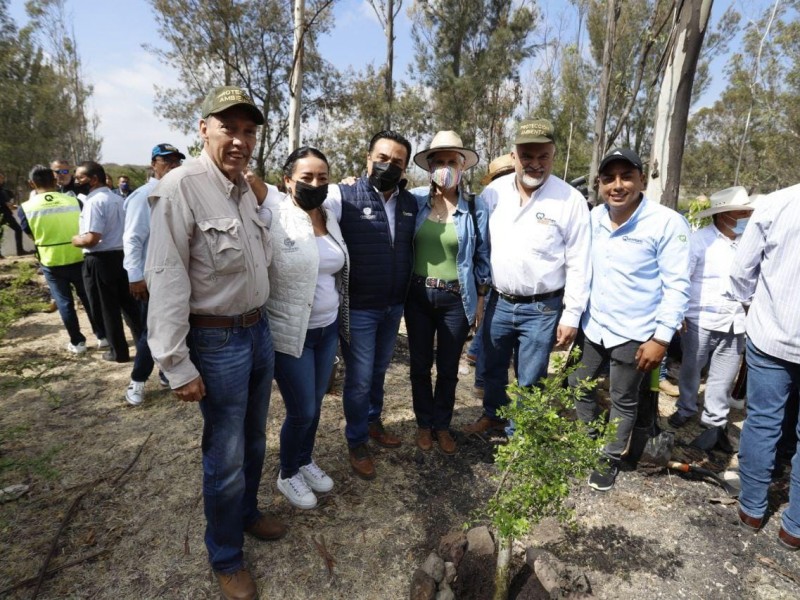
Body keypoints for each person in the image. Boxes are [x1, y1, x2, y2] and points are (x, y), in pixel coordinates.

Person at [145, 86, 285, 599]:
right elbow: (165, 275)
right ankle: (226, 556)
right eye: (229, 128)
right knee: (224, 455)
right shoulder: (180, 187)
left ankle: (246, 514)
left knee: (252, 440)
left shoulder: (244, 188)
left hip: (258, 330)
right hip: (218, 341)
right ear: (203, 128)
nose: (240, 140)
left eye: (248, 131)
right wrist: (175, 363)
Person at [570, 148, 690, 492]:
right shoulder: (593, 218)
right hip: (594, 326)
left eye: (626, 177)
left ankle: (609, 456)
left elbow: (678, 285)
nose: (617, 185)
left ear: (641, 179)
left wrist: (661, 338)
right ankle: (589, 440)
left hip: (636, 332)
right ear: (599, 183)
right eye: (609, 178)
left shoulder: (666, 223)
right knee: (580, 385)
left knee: (624, 398)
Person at [464, 118, 591, 435]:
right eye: (527, 156)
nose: (534, 164)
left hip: (543, 308)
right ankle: (492, 415)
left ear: (553, 156)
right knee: (491, 366)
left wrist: (572, 315)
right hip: (499, 300)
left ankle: (519, 435)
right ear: (513, 156)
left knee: (531, 376)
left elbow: (579, 260)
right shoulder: (493, 193)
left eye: (542, 156)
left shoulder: (569, 200)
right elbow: (478, 242)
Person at [323, 130, 418, 480]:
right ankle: (356, 440)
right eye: (382, 158)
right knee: (360, 379)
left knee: (378, 373)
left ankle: (373, 421)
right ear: (368, 158)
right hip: (359, 308)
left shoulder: (411, 203)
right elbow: (310, 204)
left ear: (406, 167)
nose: (388, 166)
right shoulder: (343, 195)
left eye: (397, 162)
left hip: (393, 307)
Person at [258, 146, 348, 509]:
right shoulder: (276, 213)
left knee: (315, 406)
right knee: (302, 410)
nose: (315, 184)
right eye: (306, 178)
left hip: (327, 330)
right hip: (291, 333)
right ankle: (287, 473)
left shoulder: (329, 214)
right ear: (287, 180)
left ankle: (304, 458)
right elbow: (250, 183)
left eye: (322, 178)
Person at [407, 131, 490, 454]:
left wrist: (481, 297)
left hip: (456, 298)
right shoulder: (414, 200)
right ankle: (423, 424)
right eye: (438, 161)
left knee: (448, 367)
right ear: (429, 167)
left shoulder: (474, 205)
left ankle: (442, 425)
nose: (445, 167)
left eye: (451, 161)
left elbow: (482, 254)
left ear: (461, 166)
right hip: (417, 296)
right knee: (419, 365)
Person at [729, 183, 800, 551]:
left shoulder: (779, 203)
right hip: (773, 335)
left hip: (773, 334)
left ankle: (752, 509)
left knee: (762, 420)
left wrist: (748, 306)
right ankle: (794, 528)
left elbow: (741, 271)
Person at [669, 186, 755, 441]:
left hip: (735, 320)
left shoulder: (748, 244)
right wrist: (680, 312)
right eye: (740, 212)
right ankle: (686, 407)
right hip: (701, 318)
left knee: (724, 375)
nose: (744, 217)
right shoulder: (699, 241)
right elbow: (683, 277)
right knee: (691, 368)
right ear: (724, 214)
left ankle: (715, 420)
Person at [122, 143, 185, 406]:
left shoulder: (180, 192)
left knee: (174, 329)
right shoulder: (143, 196)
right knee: (153, 332)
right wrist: (135, 276)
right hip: (152, 278)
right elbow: (133, 239)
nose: (172, 164)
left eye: (176, 160)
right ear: (153, 164)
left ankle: (165, 373)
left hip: (178, 275)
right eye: (165, 160)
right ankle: (137, 381)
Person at [18, 165, 104, 352]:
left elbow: (29, 232)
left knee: (64, 302)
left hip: (51, 260)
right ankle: (102, 336)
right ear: (55, 180)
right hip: (79, 256)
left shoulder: (25, 207)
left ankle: (78, 342)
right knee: (89, 298)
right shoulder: (74, 201)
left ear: (31, 183)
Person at [71, 161, 142, 363]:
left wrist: (76, 240)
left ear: (93, 179)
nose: (77, 181)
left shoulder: (94, 202)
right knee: (130, 307)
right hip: (122, 257)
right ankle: (143, 345)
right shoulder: (118, 199)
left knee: (107, 308)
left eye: (80, 177)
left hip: (100, 259)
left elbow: (92, 238)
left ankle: (118, 352)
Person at [467, 152, 515, 395]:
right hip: (494, 278)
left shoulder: (490, 192)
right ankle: (483, 384)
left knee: (488, 334)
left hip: (493, 276)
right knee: (489, 334)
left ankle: (482, 381)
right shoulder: (492, 194)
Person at [0, 172, 29, 257]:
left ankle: (20, 250)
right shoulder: (2, 191)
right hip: (4, 214)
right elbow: (7, 204)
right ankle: (20, 250)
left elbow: (8, 203)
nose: (2, 180)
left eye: (2, 178)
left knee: (5, 232)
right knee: (17, 229)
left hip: (5, 214)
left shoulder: (3, 190)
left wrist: (15, 206)